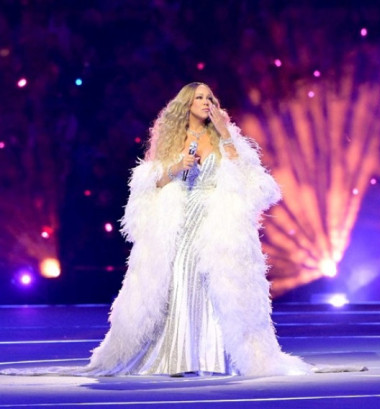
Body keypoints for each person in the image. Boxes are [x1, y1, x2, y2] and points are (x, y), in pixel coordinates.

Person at [82, 82, 312, 376]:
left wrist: (225, 134)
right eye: (199, 98)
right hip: (180, 220)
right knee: (178, 278)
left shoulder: (223, 136)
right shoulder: (171, 139)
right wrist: (177, 167)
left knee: (216, 281)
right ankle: (177, 355)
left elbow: (246, 174)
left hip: (215, 220)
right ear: (187, 105)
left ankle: (214, 357)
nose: (205, 102)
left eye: (209, 97)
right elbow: (152, 182)